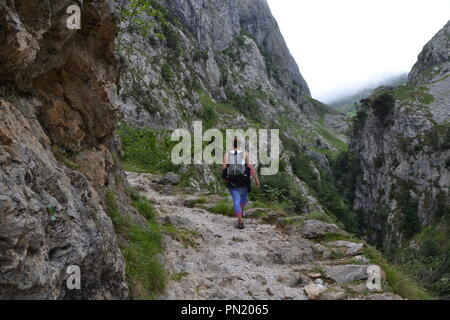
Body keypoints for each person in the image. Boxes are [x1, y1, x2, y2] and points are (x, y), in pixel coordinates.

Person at [222, 137, 260, 229]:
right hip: (243, 181)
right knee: (243, 200)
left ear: (232, 144)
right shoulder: (245, 154)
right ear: (240, 145)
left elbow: (223, 168)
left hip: (232, 181)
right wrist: (256, 180)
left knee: (236, 201)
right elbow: (251, 168)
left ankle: (240, 221)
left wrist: (225, 178)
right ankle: (240, 215)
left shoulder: (227, 154)